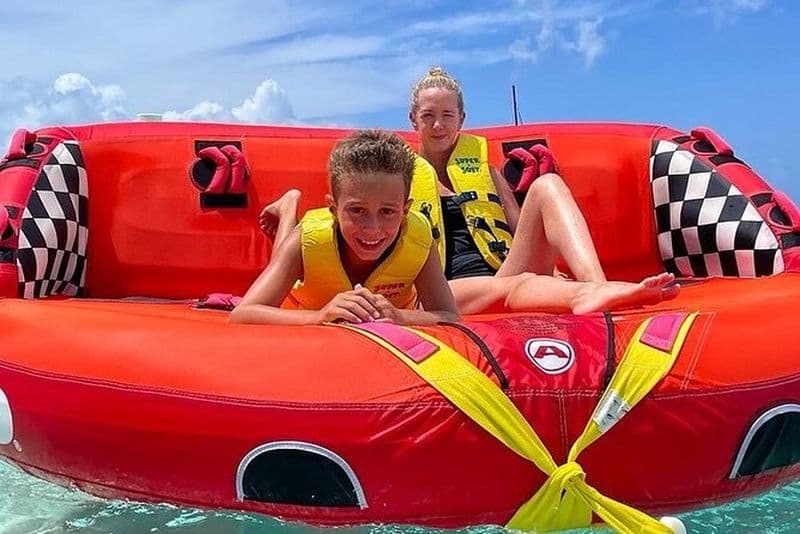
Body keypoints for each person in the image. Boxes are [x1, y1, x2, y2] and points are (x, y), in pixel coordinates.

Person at [407, 66, 679, 314]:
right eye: (428, 116)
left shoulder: (485, 171)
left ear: (461, 119)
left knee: (547, 185)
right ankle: (582, 294)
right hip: (445, 292)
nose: (438, 125)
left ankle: (598, 286)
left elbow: (521, 230)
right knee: (521, 284)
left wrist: (556, 270)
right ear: (413, 120)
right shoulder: (402, 180)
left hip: (504, 274)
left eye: (447, 115)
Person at [231, 130, 460, 326]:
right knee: (287, 250)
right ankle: (288, 209)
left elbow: (449, 315)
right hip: (307, 289)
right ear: (333, 209)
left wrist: (401, 316)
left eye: (388, 211)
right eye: (357, 211)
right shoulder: (306, 238)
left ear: (405, 211)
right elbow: (243, 313)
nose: (373, 228)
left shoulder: (419, 240)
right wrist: (319, 316)